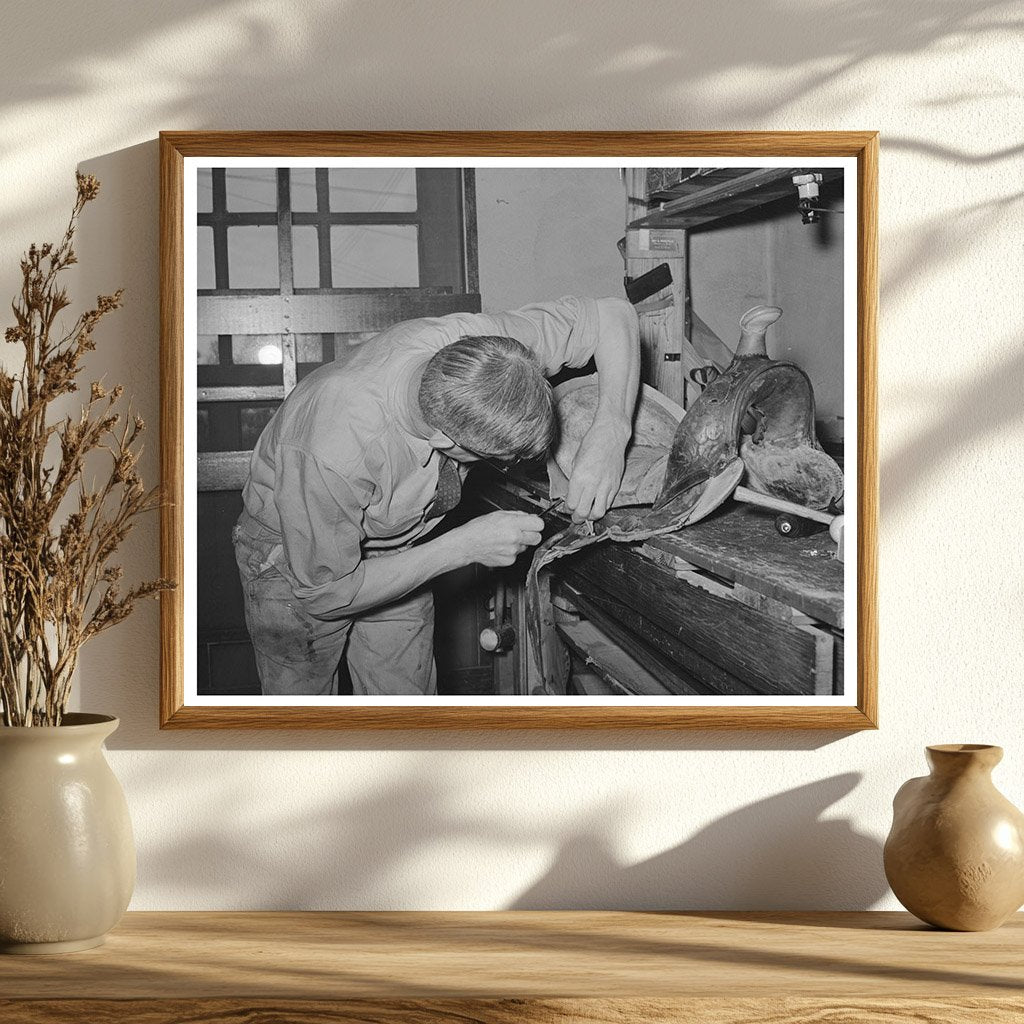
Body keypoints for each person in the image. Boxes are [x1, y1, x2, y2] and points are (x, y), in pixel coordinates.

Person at [232, 295, 639, 696]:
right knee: (306, 723)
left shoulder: (485, 352)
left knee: (406, 707)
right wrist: (461, 547)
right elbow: (327, 594)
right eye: (497, 460)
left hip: (398, 542)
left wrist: (611, 429)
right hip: (296, 555)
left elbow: (610, 315)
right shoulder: (333, 447)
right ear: (442, 440)